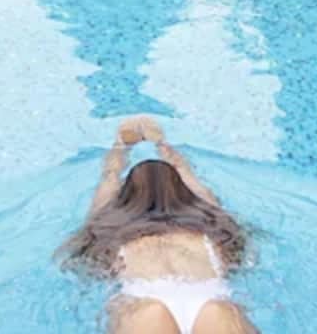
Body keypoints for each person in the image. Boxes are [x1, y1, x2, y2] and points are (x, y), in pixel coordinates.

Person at [58, 116, 260, 334]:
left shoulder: (112, 232)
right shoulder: (210, 228)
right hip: (209, 298)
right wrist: (162, 144)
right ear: (183, 193)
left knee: (148, 311)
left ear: (126, 198)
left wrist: (120, 146)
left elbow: (109, 178)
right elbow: (188, 175)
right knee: (218, 310)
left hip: (143, 303)